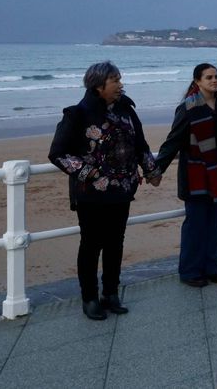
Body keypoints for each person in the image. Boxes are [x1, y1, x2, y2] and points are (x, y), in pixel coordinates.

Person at [49, 61, 161, 319]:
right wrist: (89, 173)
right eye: (115, 81)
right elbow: (57, 153)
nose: (121, 85)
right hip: (91, 194)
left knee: (115, 242)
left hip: (122, 190)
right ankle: (89, 298)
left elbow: (140, 145)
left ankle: (110, 293)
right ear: (98, 85)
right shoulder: (77, 114)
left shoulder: (127, 112)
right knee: (91, 244)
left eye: (120, 80)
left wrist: (151, 171)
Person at [156, 63, 217, 286]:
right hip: (196, 177)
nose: (214, 80)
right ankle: (190, 272)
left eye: (216, 76)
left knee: (214, 224)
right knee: (195, 226)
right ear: (197, 81)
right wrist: (157, 169)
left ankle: (211, 268)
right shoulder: (187, 108)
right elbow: (173, 141)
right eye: (209, 77)